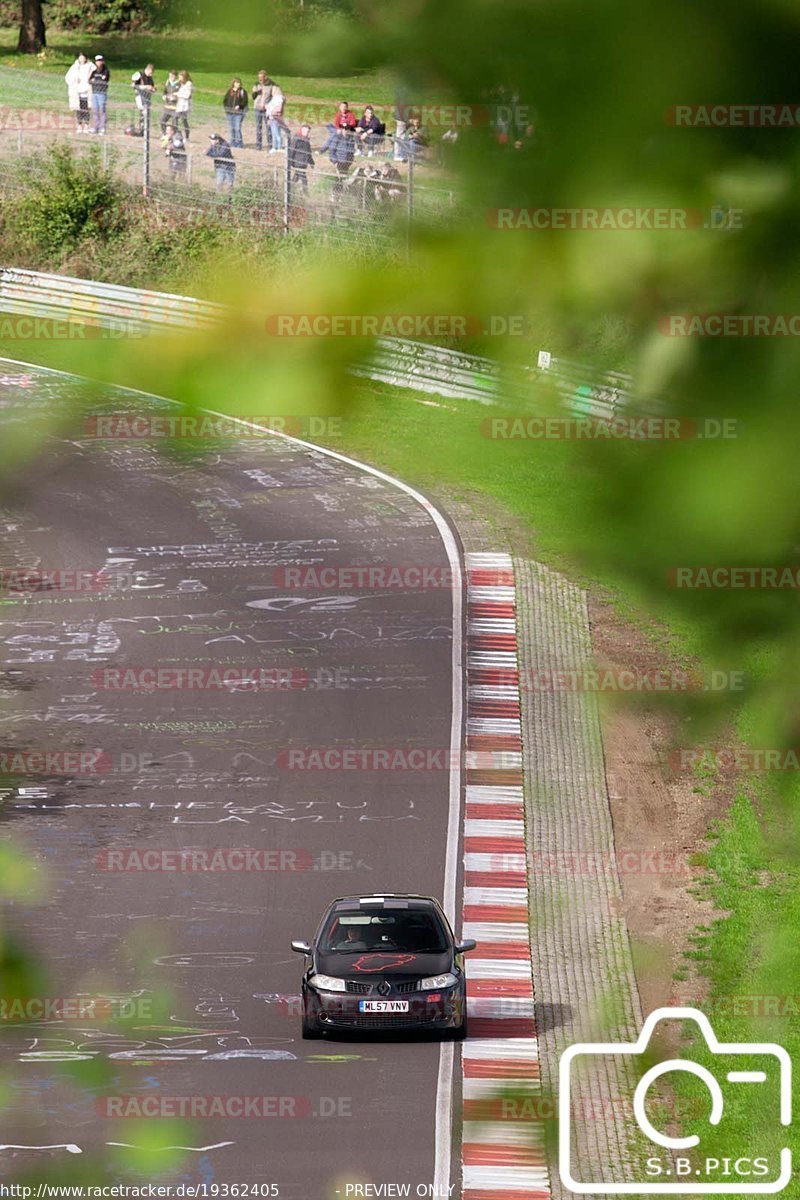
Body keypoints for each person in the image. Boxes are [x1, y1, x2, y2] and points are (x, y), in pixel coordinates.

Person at [65, 53, 93, 133]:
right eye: (80, 58)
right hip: (77, 91)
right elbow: (68, 77)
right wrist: (74, 80)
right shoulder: (75, 67)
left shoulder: (90, 66)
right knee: (79, 109)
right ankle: (79, 125)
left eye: (83, 58)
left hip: (87, 91)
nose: (82, 59)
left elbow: (93, 75)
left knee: (86, 108)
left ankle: (87, 125)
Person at [328, 125, 356, 199]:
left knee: (343, 179)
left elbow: (352, 152)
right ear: (342, 130)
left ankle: (340, 196)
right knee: (338, 178)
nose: (346, 131)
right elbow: (331, 151)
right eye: (345, 129)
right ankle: (334, 194)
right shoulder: (337, 138)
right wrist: (335, 162)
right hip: (339, 161)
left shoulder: (351, 140)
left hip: (347, 163)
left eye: (348, 130)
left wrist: (350, 161)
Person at [288, 123, 314, 194]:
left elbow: (309, 152)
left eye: (308, 132)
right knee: (304, 179)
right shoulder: (296, 139)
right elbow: (291, 150)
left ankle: (289, 188)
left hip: (303, 162)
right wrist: (289, 162)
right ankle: (306, 194)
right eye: (307, 131)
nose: (307, 133)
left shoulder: (306, 140)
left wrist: (311, 162)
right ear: (302, 130)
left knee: (296, 177)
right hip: (297, 162)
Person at [88, 53, 110, 135]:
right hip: (94, 93)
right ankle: (95, 127)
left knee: (102, 110)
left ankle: (103, 128)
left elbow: (104, 80)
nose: (99, 62)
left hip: (102, 93)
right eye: (97, 61)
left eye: (100, 61)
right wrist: (98, 80)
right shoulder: (94, 71)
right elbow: (90, 80)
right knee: (95, 110)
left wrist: (96, 80)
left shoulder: (106, 71)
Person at [223, 77, 248, 148]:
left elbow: (245, 101)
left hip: (238, 113)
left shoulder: (243, 92)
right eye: (236, 83)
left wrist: (239, 106)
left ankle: (239, 143)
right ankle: (232, 142)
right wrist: (226, 109)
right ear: (233, 83)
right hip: (229, 113)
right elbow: (225, 101)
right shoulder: (229, 91)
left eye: (239, 83)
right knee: (231, 128)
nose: (238, 84)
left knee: (237, 128)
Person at [131, 63, 156, 134]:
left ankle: (143, 129)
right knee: (143, 112)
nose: (151, 74)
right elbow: (133, 86)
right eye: (150, 72)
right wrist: (145, 87)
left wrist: (153, 89)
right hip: (140, 96)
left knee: (145, 114)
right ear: (147, 70)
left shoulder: (150, 78)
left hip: (147, 97)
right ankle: (142, 129)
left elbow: (152, 86)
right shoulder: (139, 75)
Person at [252, 71, 273, 151]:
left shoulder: (271, 85)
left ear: (265, 77)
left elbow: (273, 96)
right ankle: (258, 146)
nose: (260, 79)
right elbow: (253, 96)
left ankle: (270, 145)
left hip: (267, 109)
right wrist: (257, 92)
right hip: (257, 108)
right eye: (259, 78)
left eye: (262, 77)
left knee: (268, 127)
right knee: (258, 127)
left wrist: (268, 105)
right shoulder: (256, 84)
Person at [266, 83, 287, 151]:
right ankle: (275, 147)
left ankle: (279, 147)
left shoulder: (279, 99)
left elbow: (278, 109)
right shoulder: (275, 98)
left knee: (277, 133)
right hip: (272, 118)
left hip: (275, 118)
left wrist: (270, 111)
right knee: (274, 133)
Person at [160, 69, 180, 134]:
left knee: (175, 123)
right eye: (169, 76)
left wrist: (175, 98)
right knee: (162, 121)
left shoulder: (179, 84)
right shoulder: (168, 82)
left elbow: (181, 94)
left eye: (172, 76)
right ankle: (165, 134)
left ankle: (175, 136)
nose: (170, 77)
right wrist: (164, 96)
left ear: (175, 76)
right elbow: (164, 91)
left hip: (175, 107)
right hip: (167, 106)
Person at [175, 70, 193, 140]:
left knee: (183, 120)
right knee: (175, 118)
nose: (179, 78)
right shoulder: (180, 83)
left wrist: (177, 94)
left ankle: (186, 136)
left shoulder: (189, 84)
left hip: (185, 106)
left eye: (180, 77)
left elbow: (187, 95)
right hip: (179, 105)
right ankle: (177, 134)